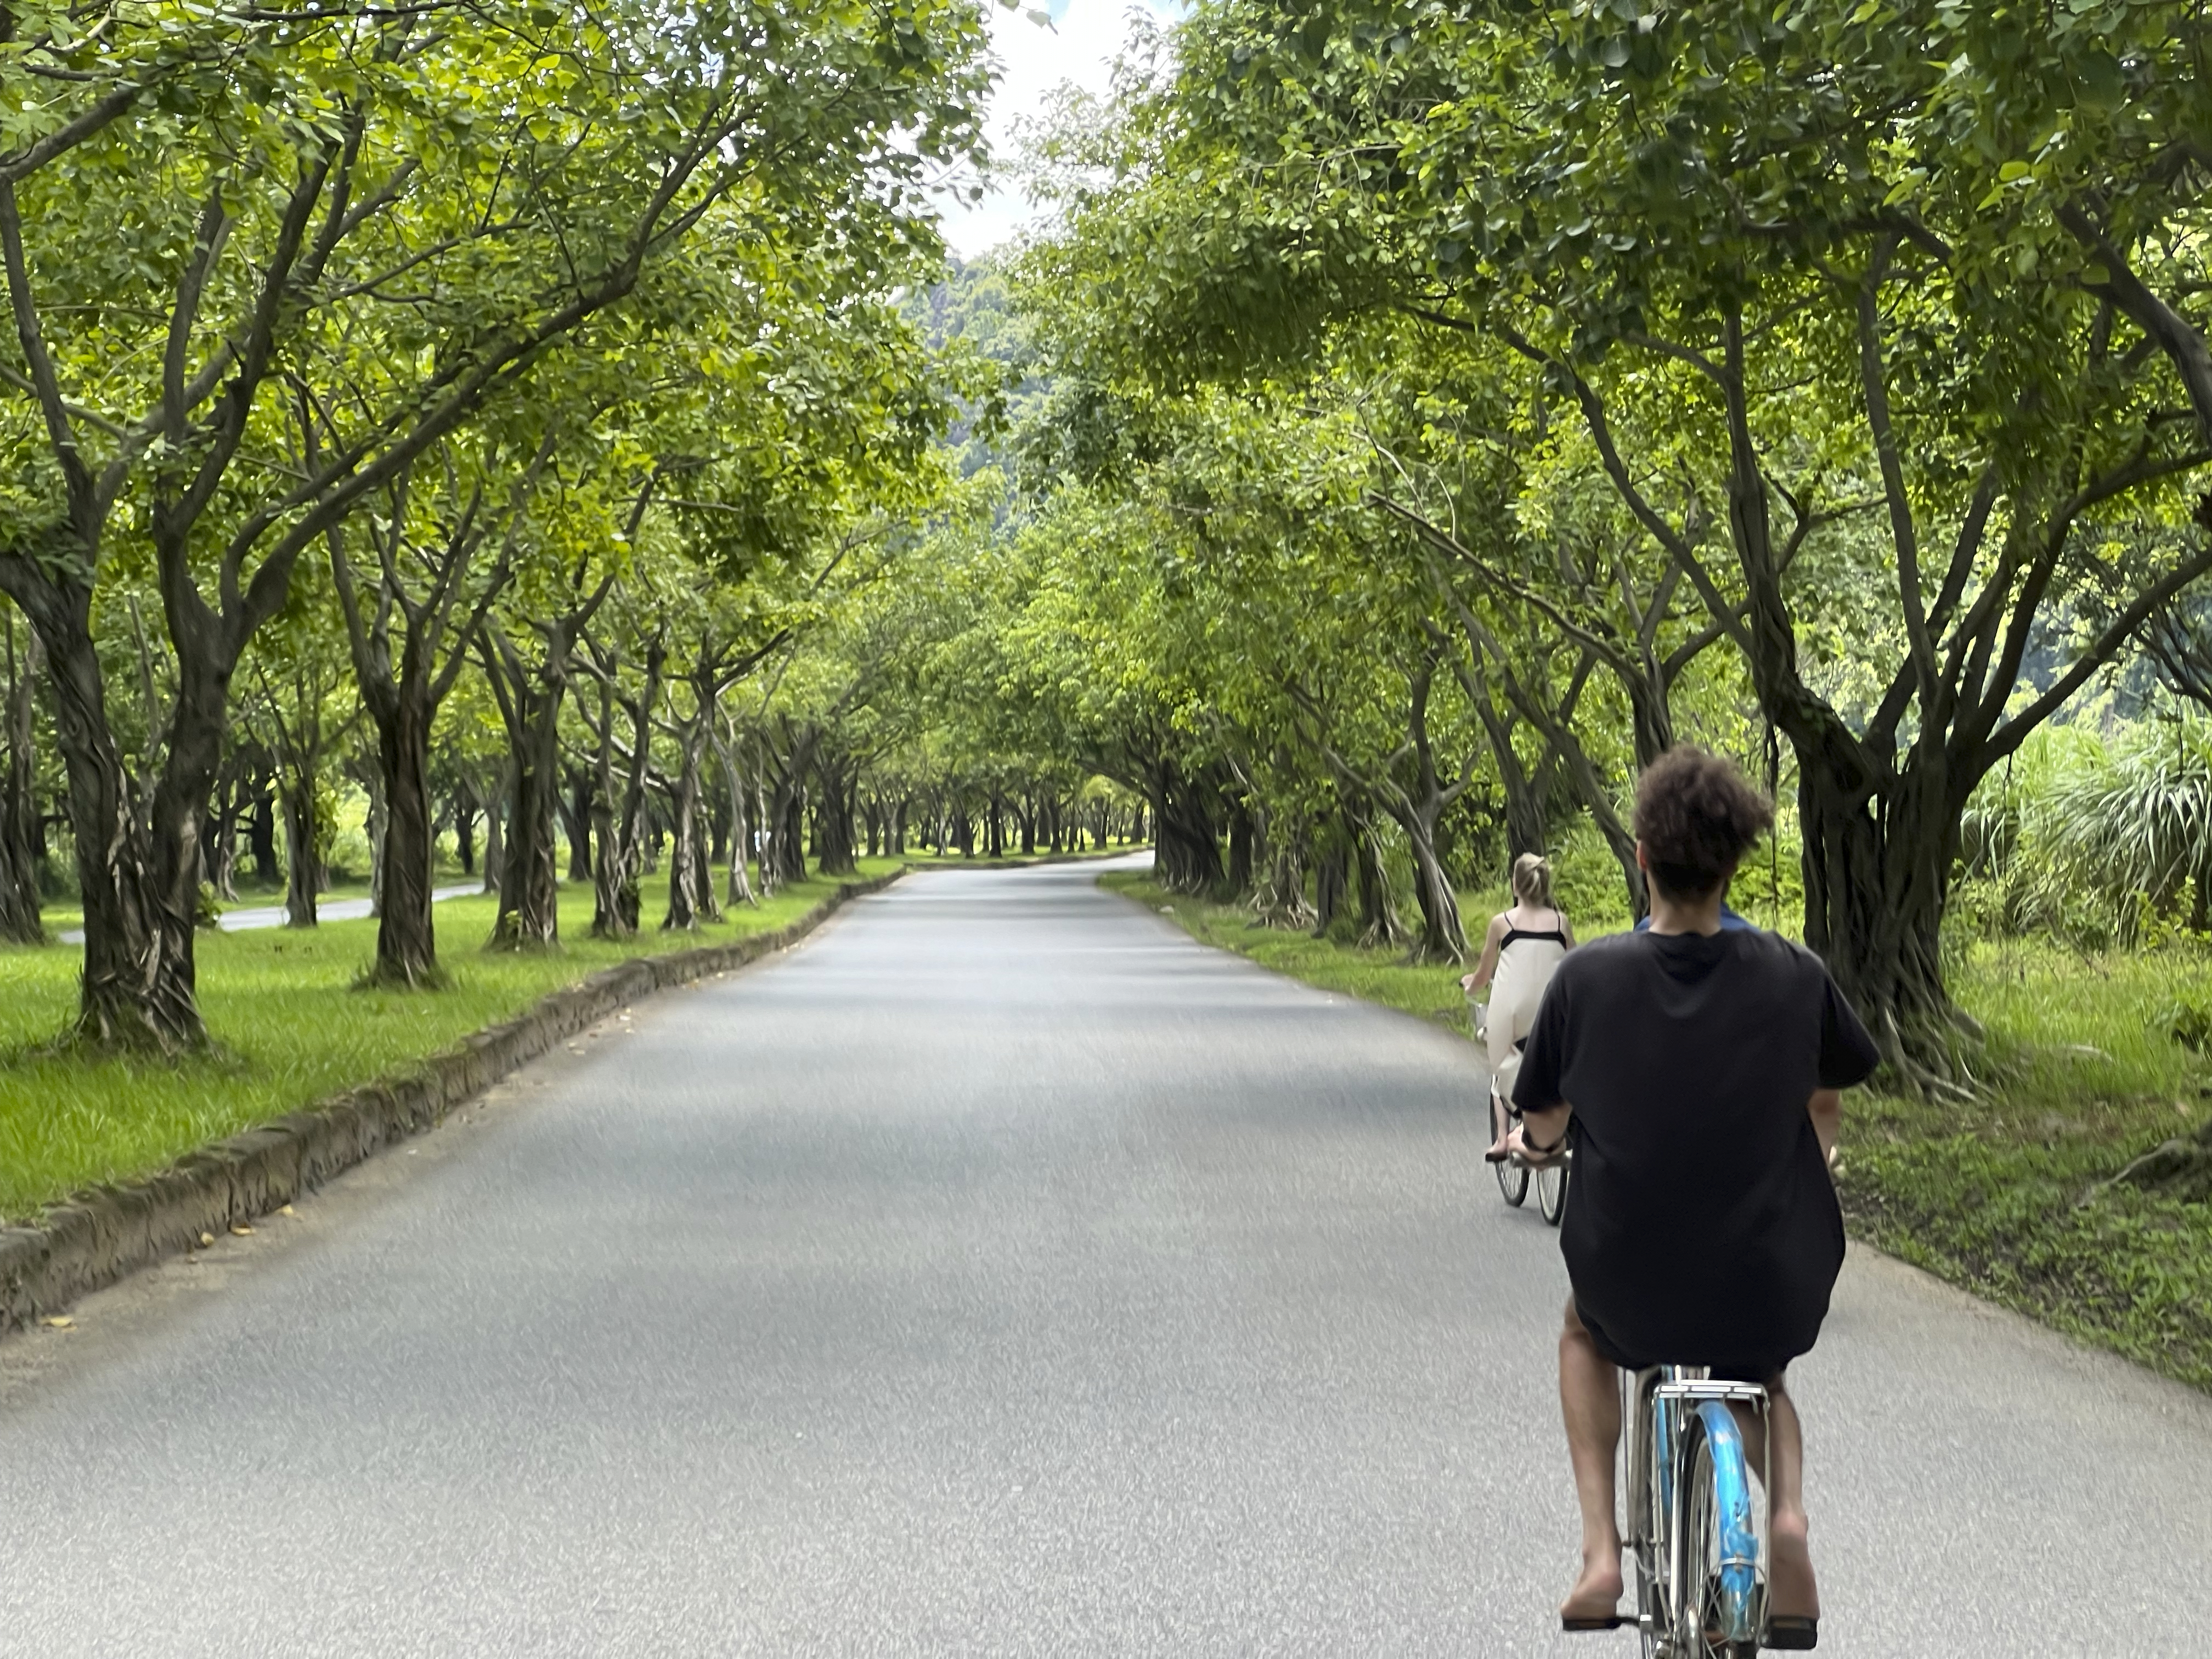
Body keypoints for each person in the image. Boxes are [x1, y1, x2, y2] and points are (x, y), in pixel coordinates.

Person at [1507, 747, 1879, 1650]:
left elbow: (1545, 1119)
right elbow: (1828, 1095)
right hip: (1760, 1275)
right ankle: (1786, 1518)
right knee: (1764, 1374)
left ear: (1643, 858)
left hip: (1629, 1276)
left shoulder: (1588, 980)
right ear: (1732, 864)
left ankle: (1601, 1553)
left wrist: (1537, 1147)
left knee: (1581, 1333)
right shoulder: (1795, 974)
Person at [1460, 852, 1575, 1161]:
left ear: (1515, 885)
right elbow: (1573, 965)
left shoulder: (1502, 923)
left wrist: (1469, 985)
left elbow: (1484, 975)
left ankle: (1502, 1138)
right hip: (1551, 1013)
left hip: (1512, 1015)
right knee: (1554, 1062)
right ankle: (1549, 1128)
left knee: (1501, 1066)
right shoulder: (1561, 923)